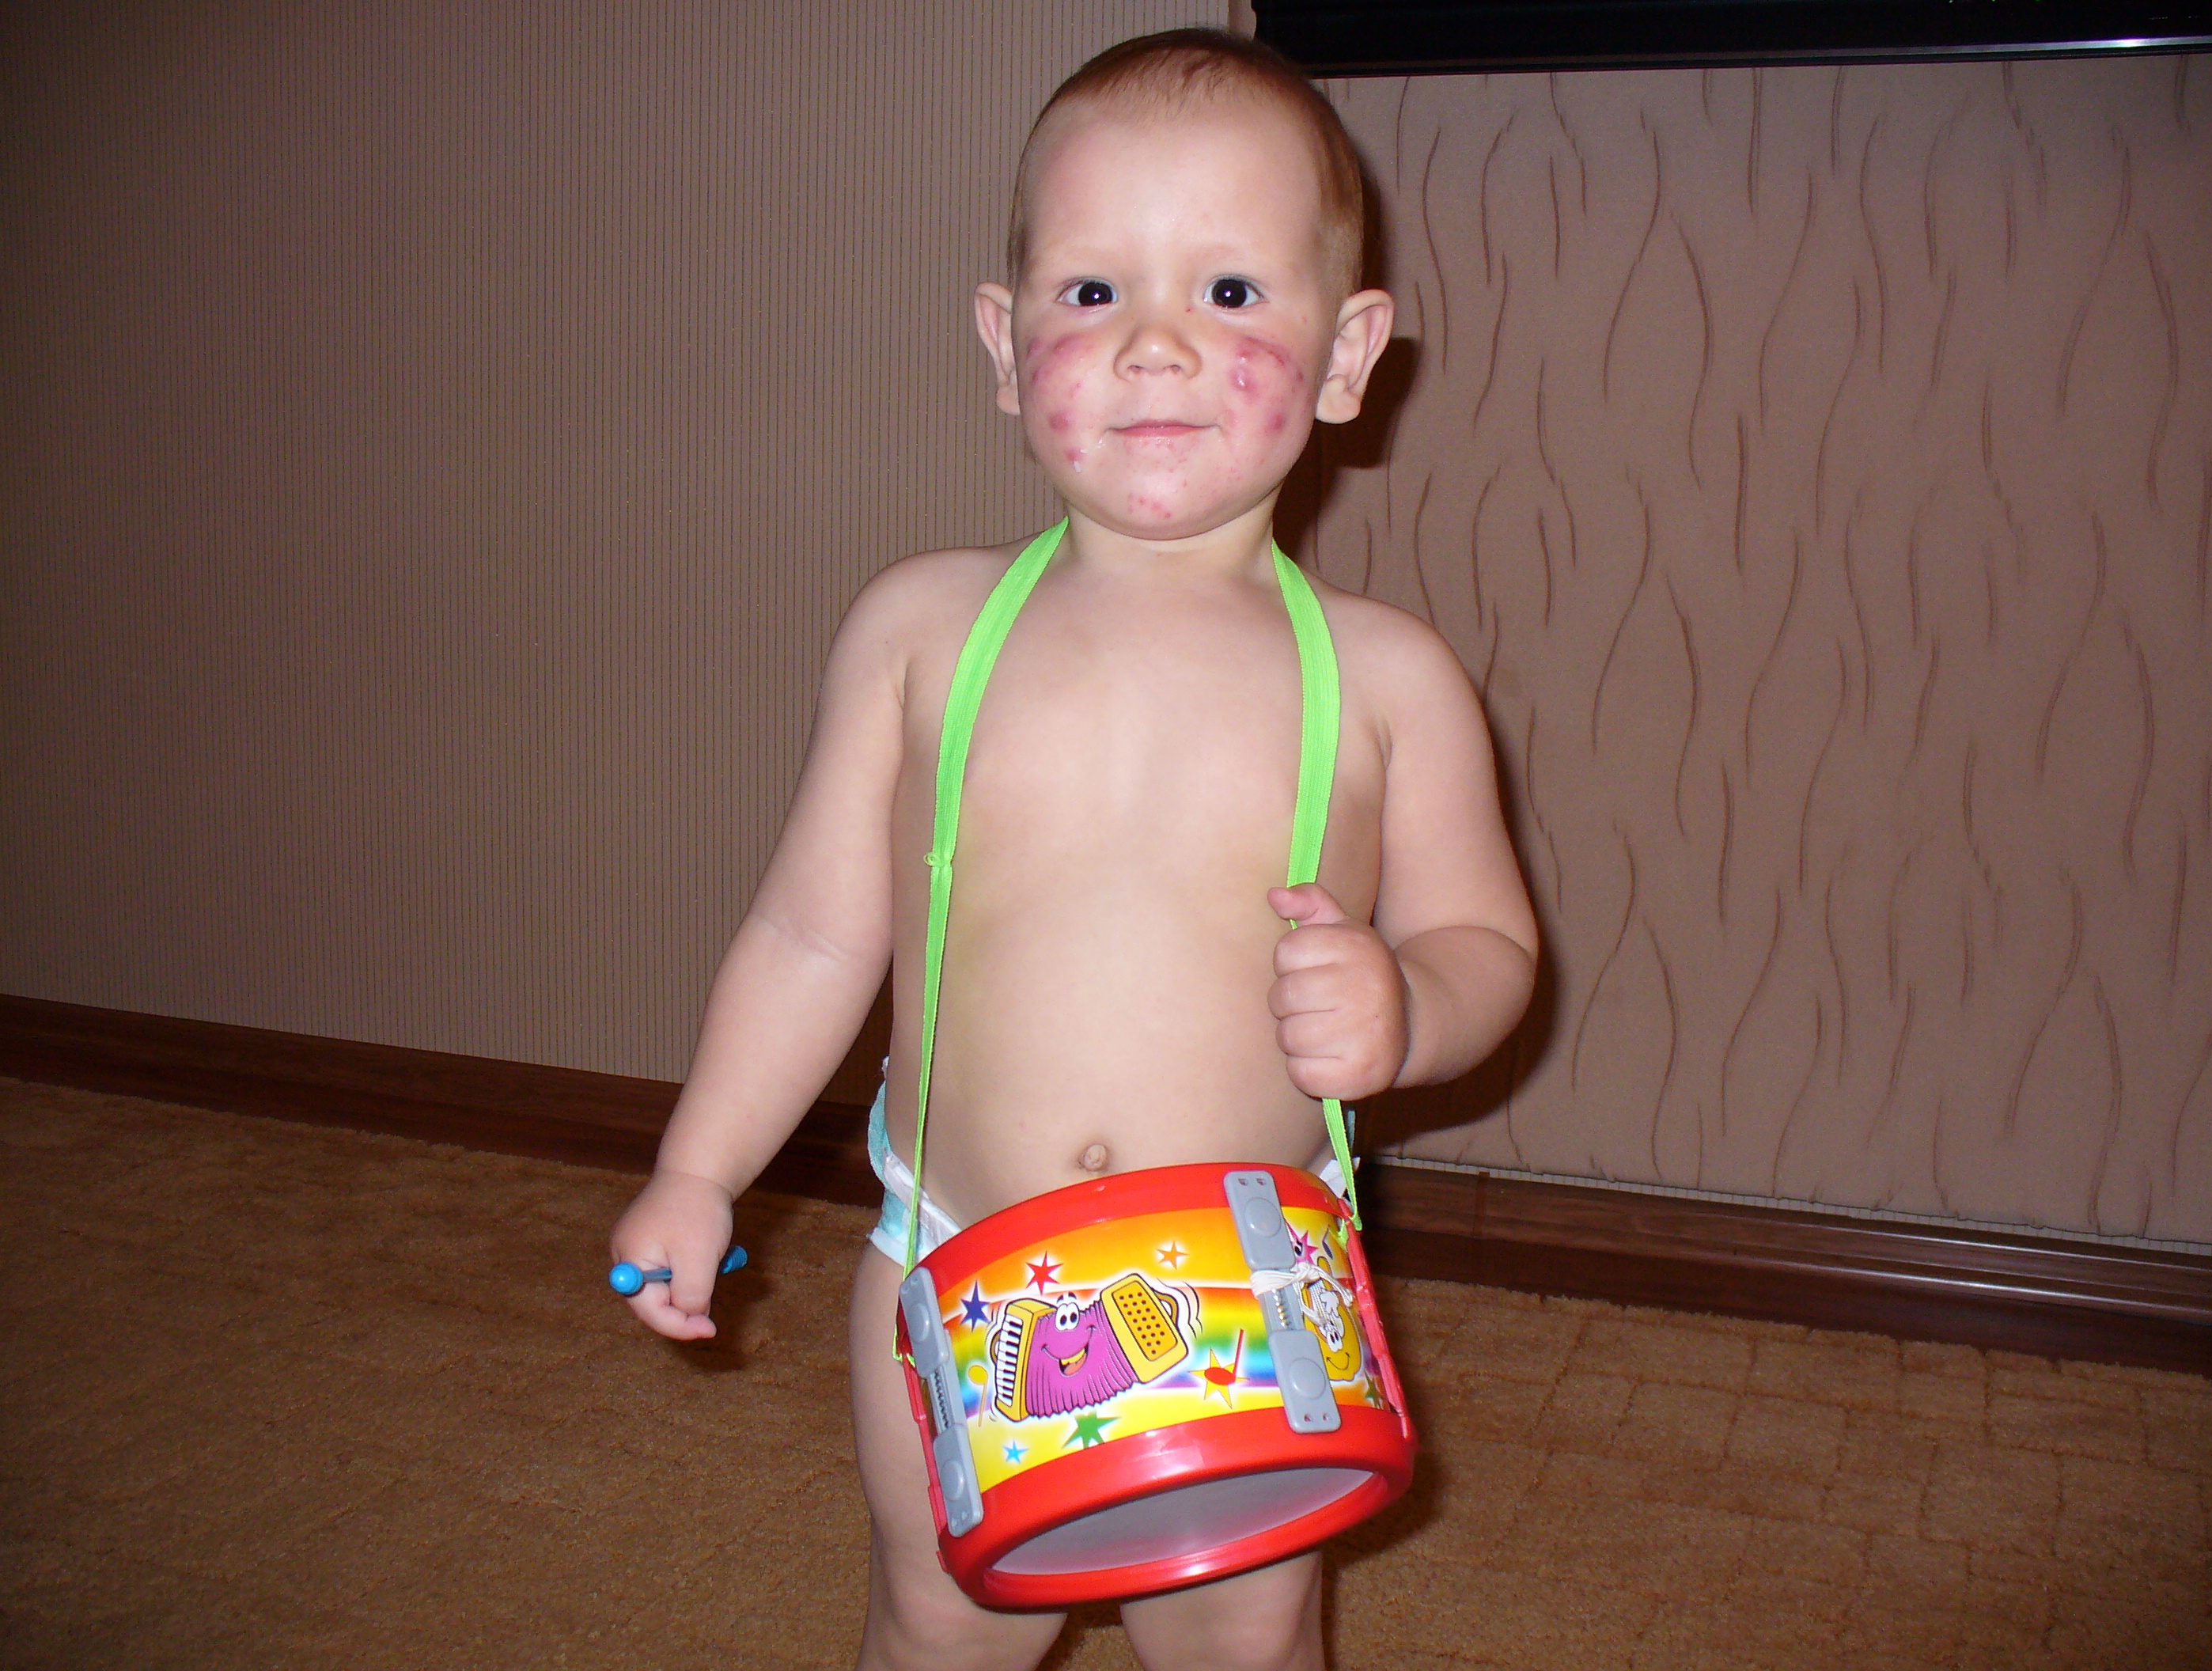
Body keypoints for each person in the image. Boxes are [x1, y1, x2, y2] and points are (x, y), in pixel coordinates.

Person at [610, 27, 1538, 1671]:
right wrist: (699, 1166)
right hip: (952, 1258)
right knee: (934, 1618)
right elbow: (812, 939)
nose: (1155, 344)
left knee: (1247, 1640)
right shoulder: (920, 631)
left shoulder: (1390, 681)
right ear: (1004, 340)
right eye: (1094, 291)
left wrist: (1410, 1005)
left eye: (1230, 293)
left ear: (1345, 356)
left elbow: (1491, 947)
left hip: (1250, 1292)